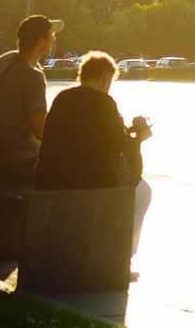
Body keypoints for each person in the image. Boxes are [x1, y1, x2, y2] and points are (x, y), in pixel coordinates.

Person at [34, 52, 152, 254]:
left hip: (49, 177)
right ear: (106, 77)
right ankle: (122, 257)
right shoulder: (104, 103)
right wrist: (139, 136)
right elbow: (121, 147)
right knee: (142, 191)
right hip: (86, 180)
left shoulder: (63, 98)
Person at [0, 13, 57, 183]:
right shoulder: (32, 75)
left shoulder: (8, 69)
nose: (54, 38)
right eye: (51, 35)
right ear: (40, 41)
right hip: (21, 162)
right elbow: (40, 128)